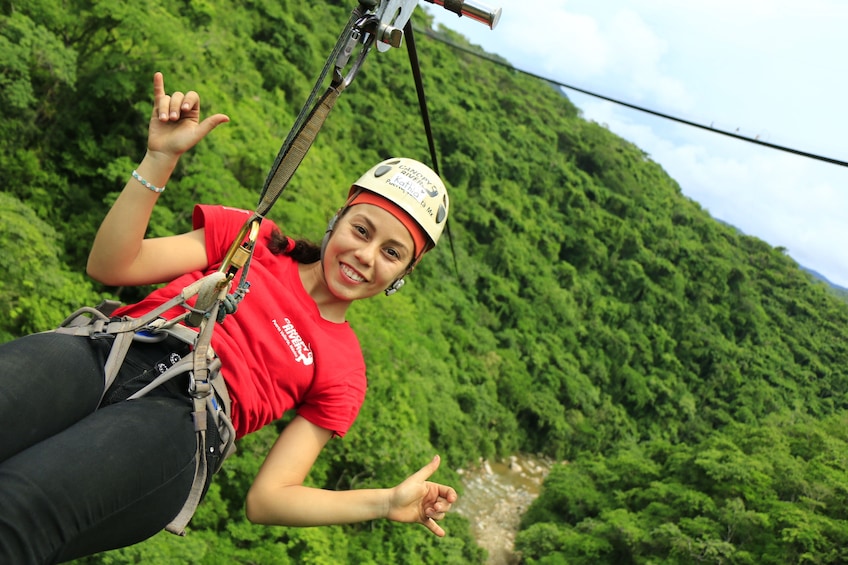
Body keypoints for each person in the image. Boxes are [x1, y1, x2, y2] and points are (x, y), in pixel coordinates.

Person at [0, 72, 456, 564]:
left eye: (391, 252)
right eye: (361, 230)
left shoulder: (344, 370)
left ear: (404, 273)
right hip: (115, 346)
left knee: (17, 510)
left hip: (182, 424)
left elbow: (268, 498)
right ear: (338, 219)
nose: (365, 256)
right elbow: (112, 266)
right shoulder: (252, 238)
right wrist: (160, 159)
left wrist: (384, 501)